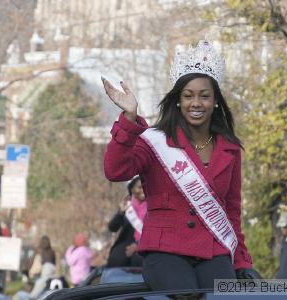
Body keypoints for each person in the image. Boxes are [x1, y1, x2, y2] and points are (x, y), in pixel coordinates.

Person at [102, 40, 261, 291]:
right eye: (188, 96)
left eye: (204, 96)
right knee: (185, 294)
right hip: (165, 251)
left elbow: (232, 212)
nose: (196, 103)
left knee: (224, 295)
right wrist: (130, 118)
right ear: (178, 100)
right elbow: (115, 171)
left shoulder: (229, 148)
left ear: (216, 101)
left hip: (213, 250)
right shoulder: (155, 141)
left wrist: (241, 261)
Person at [106, 176, 147, 268]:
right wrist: (120, 213)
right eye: (139, 187)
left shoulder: (153, 206)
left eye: (145, 186)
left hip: (148, 242)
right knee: (116, 259)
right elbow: (112, 228)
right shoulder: (127, 206)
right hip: (126, 241)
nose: (143, 190)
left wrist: (138, 245)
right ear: (132, 189)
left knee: (139, 259)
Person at [15, 235, 57, 300]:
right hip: (48, 273)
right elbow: (54, 263)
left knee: (36, 287)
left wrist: (27, 271)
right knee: (44, 289)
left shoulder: (39, 250)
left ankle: (31, 297)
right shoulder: (52, 251)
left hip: (39, 272)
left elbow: (31, 262)